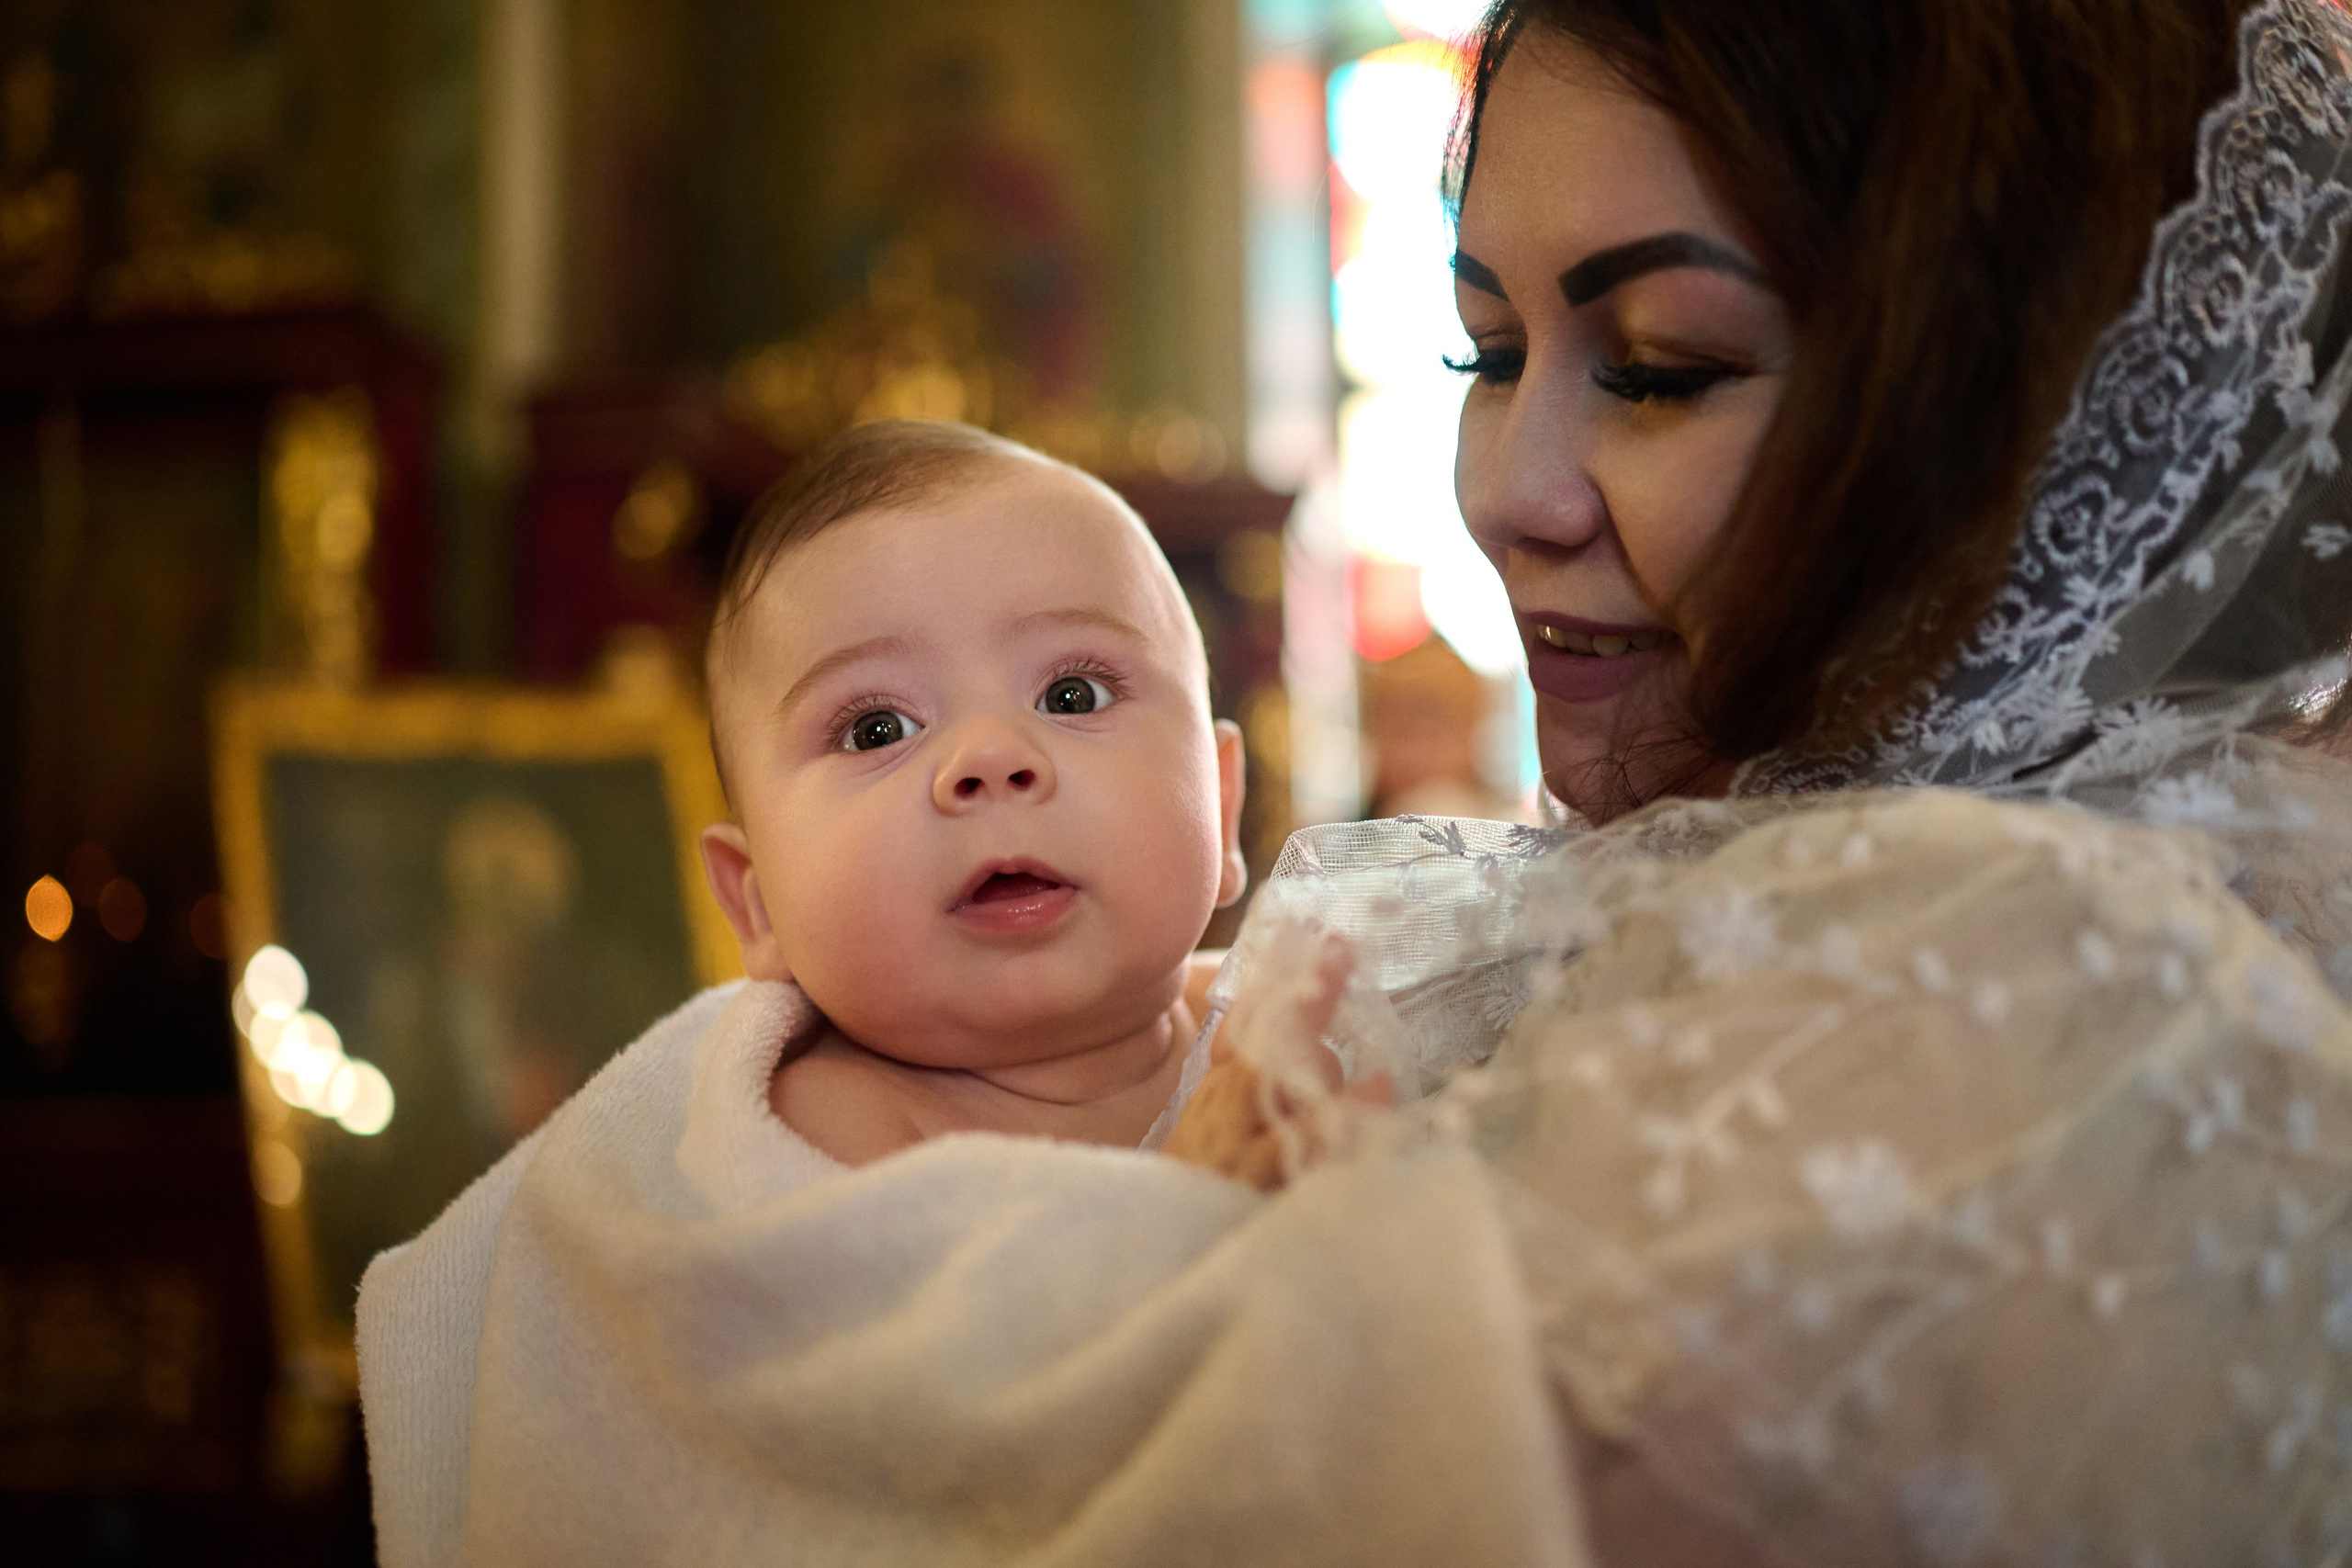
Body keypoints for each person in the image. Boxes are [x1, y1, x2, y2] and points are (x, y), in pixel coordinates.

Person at [1166, 0, 2352, 1561]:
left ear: (2041, 410)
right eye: (1488, 351)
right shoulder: (1781, 890)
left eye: (1659, 368)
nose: (1505, 493)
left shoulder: (2032, 982)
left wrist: (1149, 1249)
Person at [356, 423, 1538, 1568]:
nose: (989, 757)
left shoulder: (1297, 1010)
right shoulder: (823, 1135)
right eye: (877, 725)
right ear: (756, 902)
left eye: (1072, 694)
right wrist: (1183, 1225)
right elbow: (944, 1452)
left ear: (1223, 811)